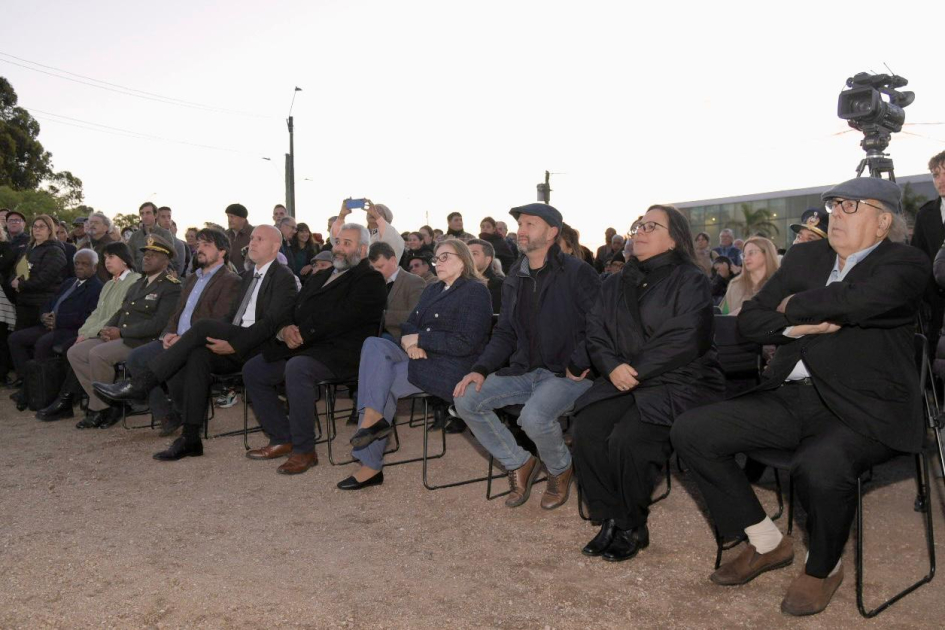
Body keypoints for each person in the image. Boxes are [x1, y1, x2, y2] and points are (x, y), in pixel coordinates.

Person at [671, 176, 926, 617]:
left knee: (820, 464)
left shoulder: (906, 263)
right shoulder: (808, 255)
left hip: (862, 406)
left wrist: (789, 305)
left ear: (883, 221)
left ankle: (823, 567)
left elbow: (857, 302)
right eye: (833, 205)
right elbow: (750, 322)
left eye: (850, 206)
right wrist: (797, 326)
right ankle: (767, 542)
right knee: (692, 430)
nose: (835, 215)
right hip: (790, 395)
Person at [572, 205, 724, 562]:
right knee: (587, 428)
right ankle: (609, 516)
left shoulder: (690, 279)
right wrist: (611, 367)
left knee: (628, 438)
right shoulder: (615, 281)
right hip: (622, 376)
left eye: (651, 226)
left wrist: (633, 370)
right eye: (638, 225)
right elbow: (595, 330)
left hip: (678, 380)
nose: (639, 231)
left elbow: (687, 338)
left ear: (674, 238)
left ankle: (631, 524)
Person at [94, 225, 298, 459]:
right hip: (237, 340)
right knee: (196, 355)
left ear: (275, 246)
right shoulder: (248, 276)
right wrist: (224, 338)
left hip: (259, 346)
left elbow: (272, 323)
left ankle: (143, 382)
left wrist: (236, 344)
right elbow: (230, 318)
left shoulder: (284, 277)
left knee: (202, 327)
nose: (252, 242)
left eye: (259, 239)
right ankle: (190, 438)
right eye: (251, 238)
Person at [453, 203, 601, 509]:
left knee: (533, 418)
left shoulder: (578, 272)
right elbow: (505, 331)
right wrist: (480, 369)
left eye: (531, 224)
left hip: (569, 373)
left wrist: (580, 360)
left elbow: (600, 325)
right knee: (466, 397)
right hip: (526, 369)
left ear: (552, 233)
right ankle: (519, 462)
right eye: (520, 224)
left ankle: (560, 469)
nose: (521, 230)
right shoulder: (514, 277)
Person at [342, 239, 494, 489]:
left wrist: (422, 340)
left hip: (451, 366)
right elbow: (410, 324)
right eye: (437, 258)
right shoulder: (433, 289)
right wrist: (412, 345)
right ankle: (373, 418)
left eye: (445, 256)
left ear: (464, 259)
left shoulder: (475, 291)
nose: (438, 262)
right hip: (419, 355)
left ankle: (370, 465)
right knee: (373, 344)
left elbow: (466, 342)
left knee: (383, 379)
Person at [239, 224, 386, 475]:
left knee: (297, 368)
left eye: (347, 244)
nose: (338, 249)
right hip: (306, 347)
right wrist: (284, 329)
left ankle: (304, 450)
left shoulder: (370, 279)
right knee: (254, 369)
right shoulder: (319, 276)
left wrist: (303, 335)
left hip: (343, 352)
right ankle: (282, 437)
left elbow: (344, 318)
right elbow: (291, 309)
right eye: (337, 242)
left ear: (362, 250)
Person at [123, 229, 241, 436]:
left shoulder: (230, 281)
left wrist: (183, 339)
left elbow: (218, 321)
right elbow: (177, 314)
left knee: (179, 360)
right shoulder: (192, 279)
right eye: (199, 244)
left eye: (207, 245)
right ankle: (168, 415)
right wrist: (168, 334)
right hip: (176, 339)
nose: (199, 249)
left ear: (222, 252)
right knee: (136, 358)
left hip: (201, 343)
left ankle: (188, 414)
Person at [69, 236, 181, 429]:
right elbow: (122, 310)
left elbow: (159, 323)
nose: (147, 258)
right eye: (145, 254)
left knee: (98, 354)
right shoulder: (138, 284)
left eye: (153, 255)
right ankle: (110, 403)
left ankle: (98, 410)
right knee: (75, 352)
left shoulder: (171, 286)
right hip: (122, 336)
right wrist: (107, 329)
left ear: (166, 260)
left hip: (142, 341)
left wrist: (121, 332)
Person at [37, 242, 141, 422]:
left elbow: (116, 313)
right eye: (105, 258)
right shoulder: (109, 284)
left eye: (112, 257)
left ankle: (100, 408)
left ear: (124, 260)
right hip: (103, 332)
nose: (107, 262)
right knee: (75, 352)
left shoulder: (134, 280)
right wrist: (83, 333)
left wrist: (89, 334)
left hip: (120, 333)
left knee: (94, 354)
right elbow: (97, 313)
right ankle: (106, 403)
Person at [8, 249, 103, 409]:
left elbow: (89, 317)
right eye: (77, 263)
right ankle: (30, 386)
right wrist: (44, 315)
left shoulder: (97, 288)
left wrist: (58, 321)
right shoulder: (69, 282)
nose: (79, 267)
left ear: (94, 267)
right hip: (49, 325)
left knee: (43, 344)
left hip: (69, 330)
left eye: (84, 264)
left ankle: (41, 392)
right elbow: (49, 301)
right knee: (15, 339)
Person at [910, 150, 945, 351]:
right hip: (936, 308)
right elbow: (919, 258)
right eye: (936, 174)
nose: (941, 180)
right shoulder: (925, 215)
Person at [10, 214, 67, 331]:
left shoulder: (55, 251)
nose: (37, 229)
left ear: (50, 230)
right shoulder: (29, 248)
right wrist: (13, 280)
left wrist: (20, 285)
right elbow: (16, 269)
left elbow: (44, 280)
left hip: (41, 306)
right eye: (35, 227)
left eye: (41, 227)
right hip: (23, 303)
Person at [368, 242, 425, 343]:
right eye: (373, 268)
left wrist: (383, 317)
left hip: (398, 339)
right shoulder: (370, 283)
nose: (376, 272)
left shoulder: (414, 282)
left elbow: (416, 316)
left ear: (393, 260)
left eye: (380, 267)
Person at [719, 236, 779, 315]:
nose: (746, 258)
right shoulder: (735, 284)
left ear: (766, 254)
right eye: (743, 255)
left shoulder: (780, 284)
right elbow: (723, 317)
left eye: (751, 253)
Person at [331, 199, 405, 262]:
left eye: (379, 212)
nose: (372, 213)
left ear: (386, 218)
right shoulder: (360, 233)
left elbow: (395, 244)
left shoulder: (392, 234)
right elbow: (337, 239)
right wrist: (341, 215)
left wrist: (376, 215)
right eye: (370, 211)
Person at [126, 202, 173, 270]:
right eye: (142, 213)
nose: (144, 216)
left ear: (156, 215)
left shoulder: (165, 234)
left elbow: (169, 257)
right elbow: (130, 257)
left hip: (158, 274)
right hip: (138, 276)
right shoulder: (135, 236)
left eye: (148, 213)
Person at [467, 238, 505, 313]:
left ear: (488, 259)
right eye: (467, 254)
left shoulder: (500, 286)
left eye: (474, 253)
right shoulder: (457, 282)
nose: (469, 257)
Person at [81, 212, 118, 283]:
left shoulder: (113, 246)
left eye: (96, 223)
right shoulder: (84, 246)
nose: (92, 225)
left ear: (106, 227)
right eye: (90, 222)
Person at [156, 206, 189, 276]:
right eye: (163, 217)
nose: (167, 220)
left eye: (169, 217)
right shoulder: (151, 238)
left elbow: (179, 269)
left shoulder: (179, 244)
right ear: (157, 219)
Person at [224, 203, 254, 270]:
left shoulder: (254, 233)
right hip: (229, 276)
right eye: (228, 216)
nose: (229, 220)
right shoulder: (225, 235)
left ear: (242, 218)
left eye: (232, 217)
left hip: (248, 276)